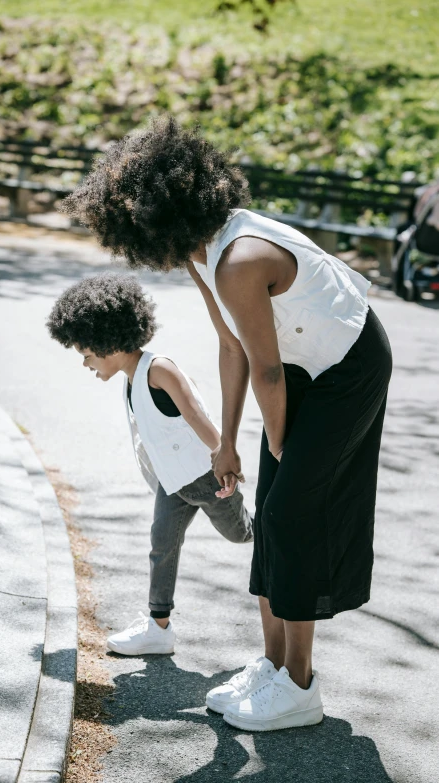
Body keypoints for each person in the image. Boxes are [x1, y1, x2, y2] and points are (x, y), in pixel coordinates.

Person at [60, 117, 393, 731]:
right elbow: (232, 346)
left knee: (291, 512)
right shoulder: (204, 253)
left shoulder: (239, 258)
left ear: (149, 218)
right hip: (299, 367)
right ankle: (272, 667)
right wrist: (229, 444)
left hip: (348, 369)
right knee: (269, 511)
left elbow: (267, 370)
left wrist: (276, 442)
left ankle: (300, 686)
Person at [47, 273, 253, 657]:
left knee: (241, 534)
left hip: (209, 478)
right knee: (162, 545)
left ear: (108, 343)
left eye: (86, 355)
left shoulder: (158, 369)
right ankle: (159, 628)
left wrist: (225, 456)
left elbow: (195, 414)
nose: (85, 364)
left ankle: (282, 533)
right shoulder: (132, 376)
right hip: (173, 485)